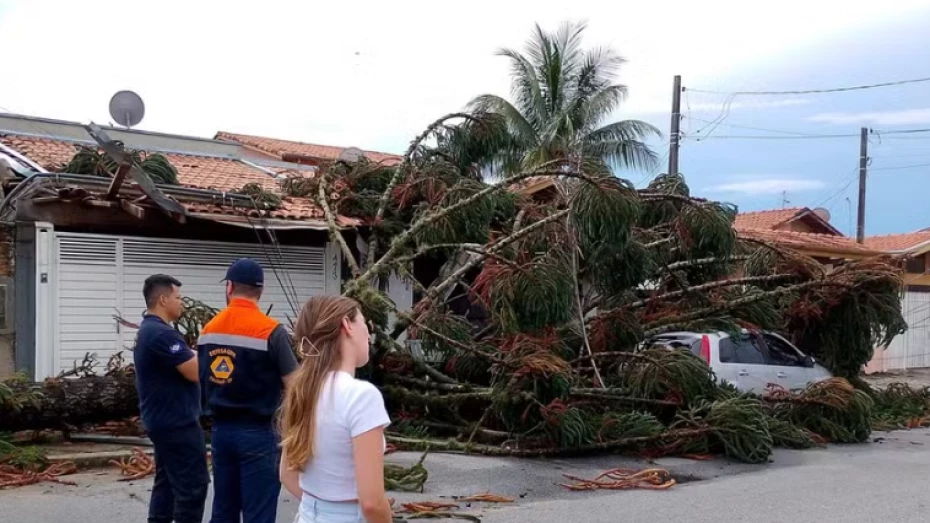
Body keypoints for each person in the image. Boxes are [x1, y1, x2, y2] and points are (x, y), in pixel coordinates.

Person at [198, 258, 299, 523]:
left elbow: (202, 380)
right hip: (260, 433)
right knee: (259, 514)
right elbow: (295, 386)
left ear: (229, 287)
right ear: (261, 291)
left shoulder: (208, 330)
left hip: (221, 433)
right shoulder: (272, 332)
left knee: (223, 510)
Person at [278, 296, 393, 523]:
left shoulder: (302, 391)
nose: (369, 335)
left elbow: (287, 475)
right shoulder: (362, 396)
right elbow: (371, 503)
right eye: (364, 323)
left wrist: (322, 509)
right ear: (346, 325)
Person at [134, 274, 209, 523]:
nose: (182, 303)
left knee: (166, 484)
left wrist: (192, 353)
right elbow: (194, 371)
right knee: (192, 488)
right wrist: (208, 353)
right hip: (177, 424)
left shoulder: (154, 331)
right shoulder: (160, 335)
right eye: (178, 298)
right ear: (163, 300)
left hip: (165, 421)